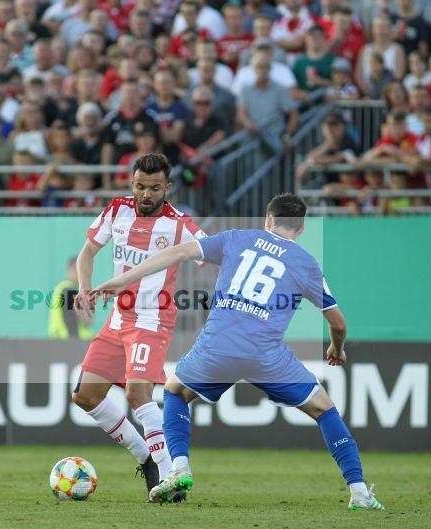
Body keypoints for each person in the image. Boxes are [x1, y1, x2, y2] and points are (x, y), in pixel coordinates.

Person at [90, 193, 385, 510]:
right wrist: (336, 349)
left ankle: (179, 469)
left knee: (175, 392)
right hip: (267, 356)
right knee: (324, 410)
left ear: (267, 220)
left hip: (216, 347)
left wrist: (123, 279)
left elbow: (177, 253)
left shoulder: (237, 239)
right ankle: (358, 492)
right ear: (300, 230)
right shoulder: (306, 264)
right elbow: (338, 324)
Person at [71, 153, 205, 501]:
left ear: (168, 188)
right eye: (140, 186)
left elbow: (212, 252)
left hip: (152, 319)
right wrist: (85, 288)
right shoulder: (117, 210)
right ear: (132, 183)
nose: (145, 194)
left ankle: (171, 475)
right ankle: (147, 458)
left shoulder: (179, 223)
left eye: (154, 188)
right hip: (118, 318)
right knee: (85, 395)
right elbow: (87, 252)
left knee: (136, 392)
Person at [49, 257, 95, 339]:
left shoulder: (59, 289)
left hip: (58, 339)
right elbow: (86, 320)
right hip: (72, 341)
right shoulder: (70, 291)